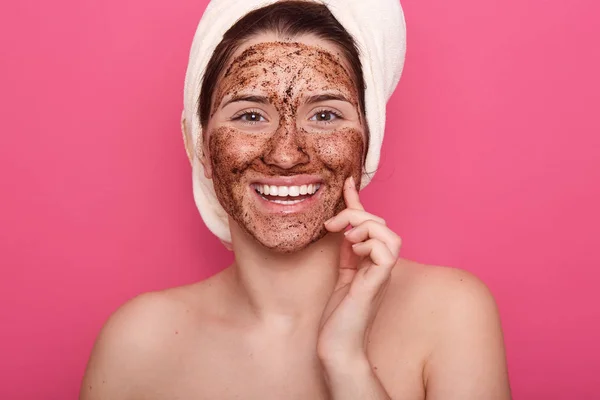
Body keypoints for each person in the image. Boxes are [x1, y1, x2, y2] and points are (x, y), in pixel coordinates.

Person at [80, 0, 511, 399]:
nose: (286, 154)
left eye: (325, 115)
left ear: (368, 143)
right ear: (200, 146)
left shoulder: (451, 314)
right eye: (250, 115)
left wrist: (347, 364)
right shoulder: (139, 343)